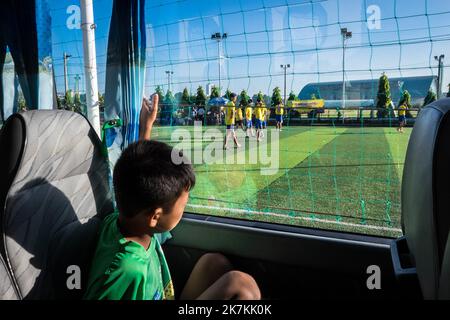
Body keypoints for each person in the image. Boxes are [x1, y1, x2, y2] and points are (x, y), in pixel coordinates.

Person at [84, 94, 260, 300]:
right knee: (240, 286)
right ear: (155, 216)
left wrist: (146, 128)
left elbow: (138, 176)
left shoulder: (127, 217)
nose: (184, 208)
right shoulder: (125, 269)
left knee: (214, 263)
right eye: (183, 204)